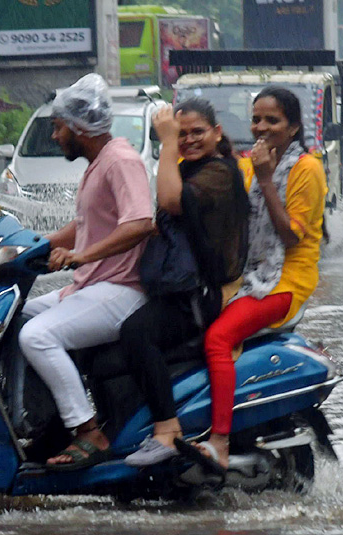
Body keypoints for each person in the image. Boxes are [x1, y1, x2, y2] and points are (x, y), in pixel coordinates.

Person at [178, 87, 326, 475]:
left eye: (272, 121)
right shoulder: (247, 163)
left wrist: (265, 179)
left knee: (219, 338)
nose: (261, 128)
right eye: (256, 119)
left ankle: (220, 442)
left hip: (284, 281)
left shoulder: (307, 168)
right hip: (243, 275)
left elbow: (290, 236)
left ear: (293, 127)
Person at [17, 73, 155, 470]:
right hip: (91, 286)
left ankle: (88, 430)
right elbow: (84, 224)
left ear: (80, 128)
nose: (56, 136)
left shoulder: (122, 161)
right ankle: (49, 422)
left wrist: (81, 256)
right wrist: (30, 246)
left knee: (37, 335)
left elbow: (140, 223)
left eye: (59, 127)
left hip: (121, 290)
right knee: (16, 319)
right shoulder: (98, 164)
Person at [121, 97, 249, 467]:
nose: (190, 140)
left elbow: (171, 202)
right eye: (183, 133)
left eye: (198, 132)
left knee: (136, 333)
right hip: (176, 288)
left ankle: (167, 429)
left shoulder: (220, 172)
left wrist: (167, 142)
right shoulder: (187, 168)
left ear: (216, 133)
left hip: (201, 295)